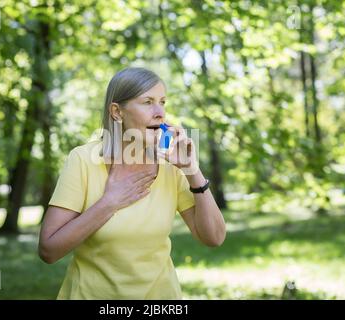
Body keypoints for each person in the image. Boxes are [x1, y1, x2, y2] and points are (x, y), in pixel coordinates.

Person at [38, 67, 226, 299]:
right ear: (117, 112)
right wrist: (109, 202)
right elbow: (49, 250)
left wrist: (192, 170)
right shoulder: (83, 160)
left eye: (162, 102)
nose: (160, 113)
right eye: (147, 102)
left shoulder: (171, 165)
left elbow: (214, 237)